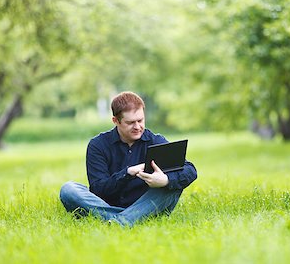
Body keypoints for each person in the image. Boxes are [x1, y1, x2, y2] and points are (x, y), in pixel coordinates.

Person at [59, 91, 197, 227]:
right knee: (68, 189)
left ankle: (118, 221)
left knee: (172, 185)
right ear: (115, 121)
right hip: (109, 204)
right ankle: (129, 219)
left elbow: (190, 170)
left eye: (140, 120)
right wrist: (128, 173)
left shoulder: (155, 140)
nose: (137, 127)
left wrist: (164, 180)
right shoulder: (98, 145)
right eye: (130, 122)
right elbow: (98, 189)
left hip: (148, 202)